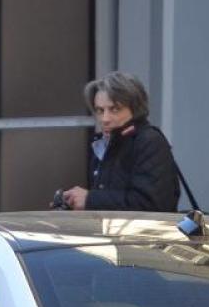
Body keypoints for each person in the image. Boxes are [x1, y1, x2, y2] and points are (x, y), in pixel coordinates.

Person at [60, 71, 179, 212]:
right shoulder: (102, 143)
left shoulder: (149, 142)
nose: (105, 118)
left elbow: (151, 204)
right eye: (99, 110)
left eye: (114, 109)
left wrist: (90, 199)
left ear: (135, 109)